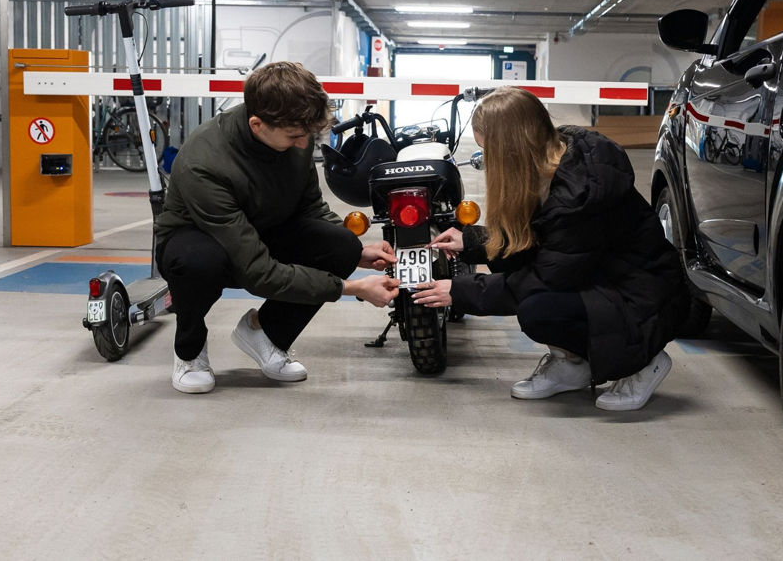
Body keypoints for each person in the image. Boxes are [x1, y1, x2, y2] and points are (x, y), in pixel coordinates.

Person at [414, 86, 690, 411]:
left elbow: (547, 277)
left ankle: (645, 361)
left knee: (538, 309)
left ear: (513, 149)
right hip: (606, 279)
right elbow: (537, 243)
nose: (485, 161)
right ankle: (572, 367)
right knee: (530, 291)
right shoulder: (549, 165)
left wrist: (459, 291)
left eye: (489, 152)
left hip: (645, 300)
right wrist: (471, 241)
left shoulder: (580, 196)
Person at [154, 61, 398, 394]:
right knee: (197, 263)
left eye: (307, 136)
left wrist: (357, 254)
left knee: (341, 245)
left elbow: (310, 207)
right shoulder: (206, 162)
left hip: (264, 229)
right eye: (295, 137)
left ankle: (265, 333)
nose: (303, 145)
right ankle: (190, 350)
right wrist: (350, 288)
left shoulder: (295, 133)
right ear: (257, 124)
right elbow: (257, 271)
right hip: (202, 240)